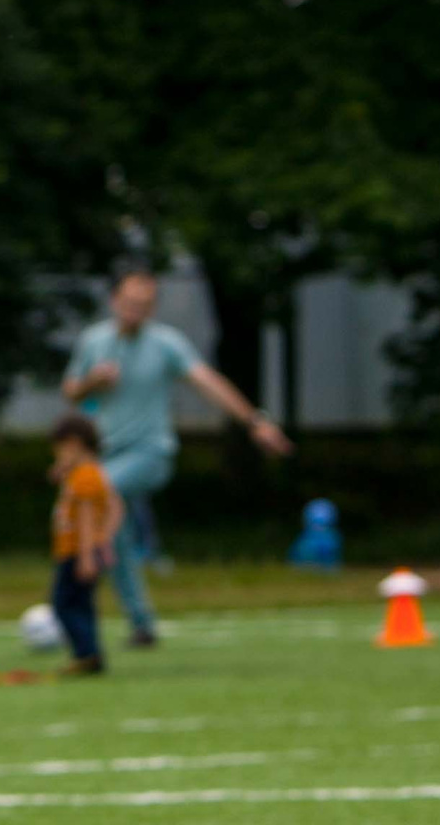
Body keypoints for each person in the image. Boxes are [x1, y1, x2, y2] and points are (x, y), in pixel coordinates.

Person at [61, 269, 291, 646]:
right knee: (116, 533)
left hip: (151, 454)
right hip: (106, 455)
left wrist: (254, 421)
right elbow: (71, 393)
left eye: (146, 304)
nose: (138, 310)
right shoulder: (94, 341)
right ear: (114, 301)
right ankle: (141, 624)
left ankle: (73, 595)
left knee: (96, 492)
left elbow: (208, 382)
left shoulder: (166, 343)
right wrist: (92, 384)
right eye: (131, 302)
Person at [47, 413, 123, 677]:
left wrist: (87, 555)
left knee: (63, 604)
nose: (58, 455)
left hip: (77, 553)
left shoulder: (85, 476)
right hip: (80, 552)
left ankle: (86, 654)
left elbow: (87, 516)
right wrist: (105, 537)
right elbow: (116, 506)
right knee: (82, 605)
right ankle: (90, 654)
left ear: (75, 443)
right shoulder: (91, 473)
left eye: (60, 449)